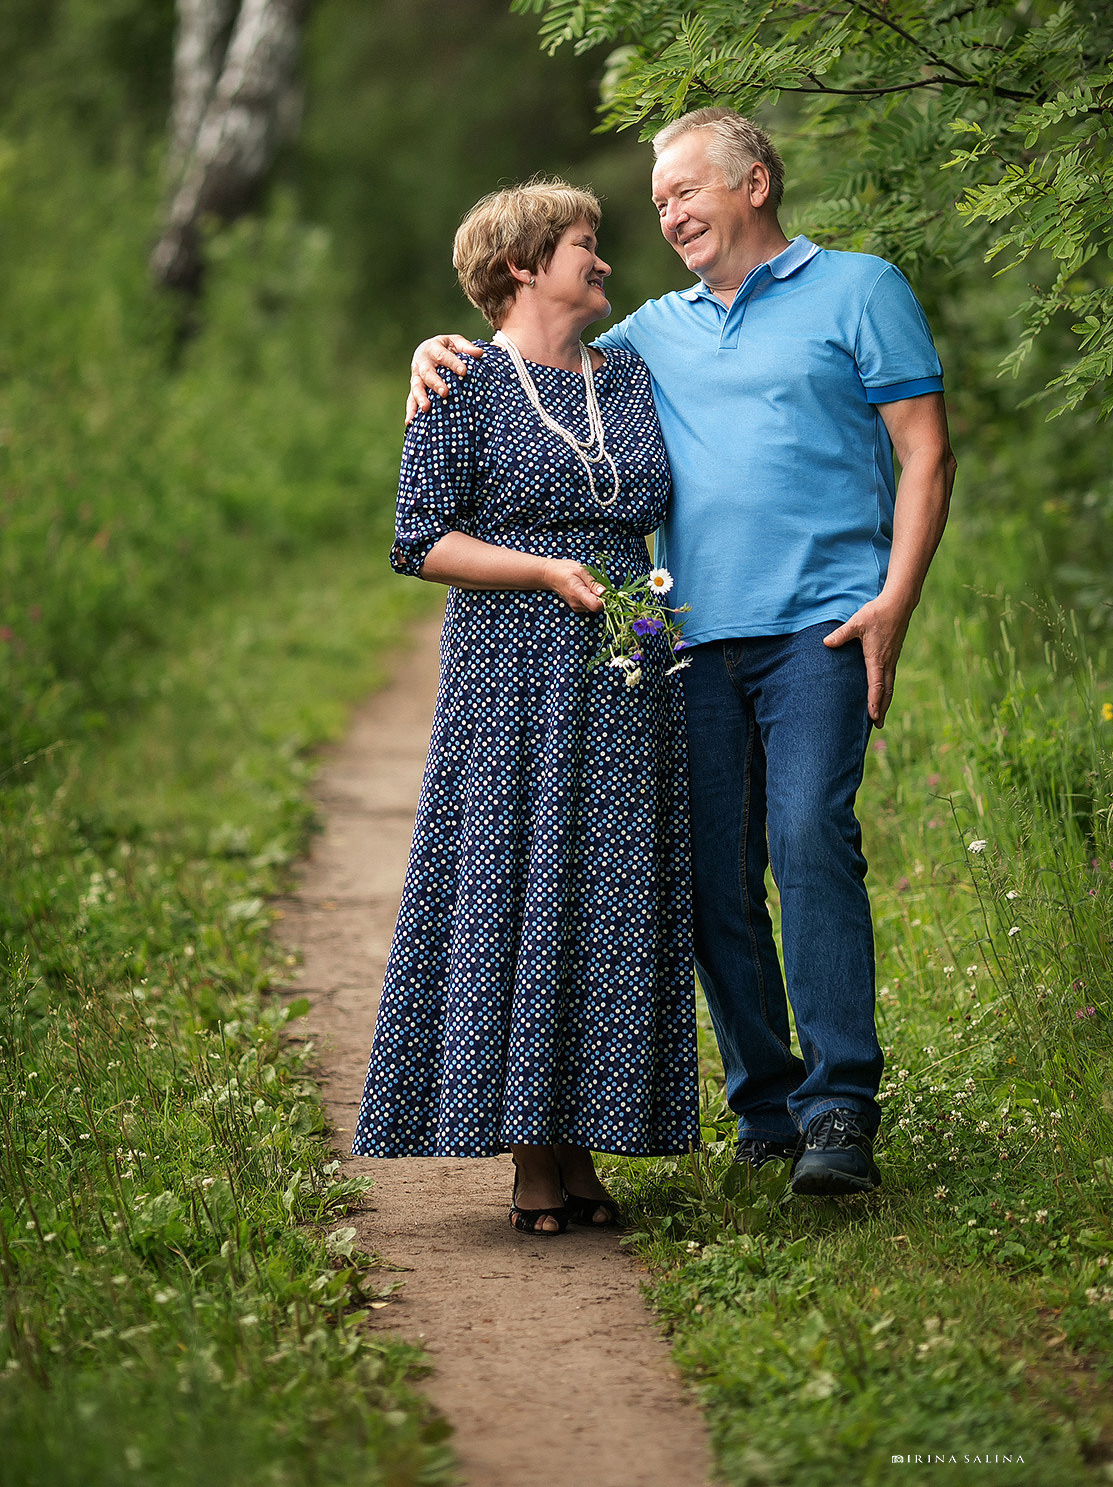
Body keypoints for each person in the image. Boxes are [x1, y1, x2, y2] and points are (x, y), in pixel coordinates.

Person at [407, 108, 956, 1196]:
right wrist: (434, 351)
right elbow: (532, 360)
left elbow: (925, 450)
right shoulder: (648, 335)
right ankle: (766, 1108)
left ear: (754, 182)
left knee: (807, 837)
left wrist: (896, 601)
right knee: (710, 881)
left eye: (684, 193)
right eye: (657, 204)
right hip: (686, 646)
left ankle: (839, 1104)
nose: (666, 217)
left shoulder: (861, 289)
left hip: (822, 627)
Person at [354, 179, 699, 1234]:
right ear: (524, 264)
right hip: (510, 676)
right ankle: (531, 1163)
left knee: (608, 895)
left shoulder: (633, 374)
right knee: (522, 886)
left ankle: (586, 1148)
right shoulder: (460, 385)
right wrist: (544, 572)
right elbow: (419, 539)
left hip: (628, 667)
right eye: (585, 245)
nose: (603, 259)